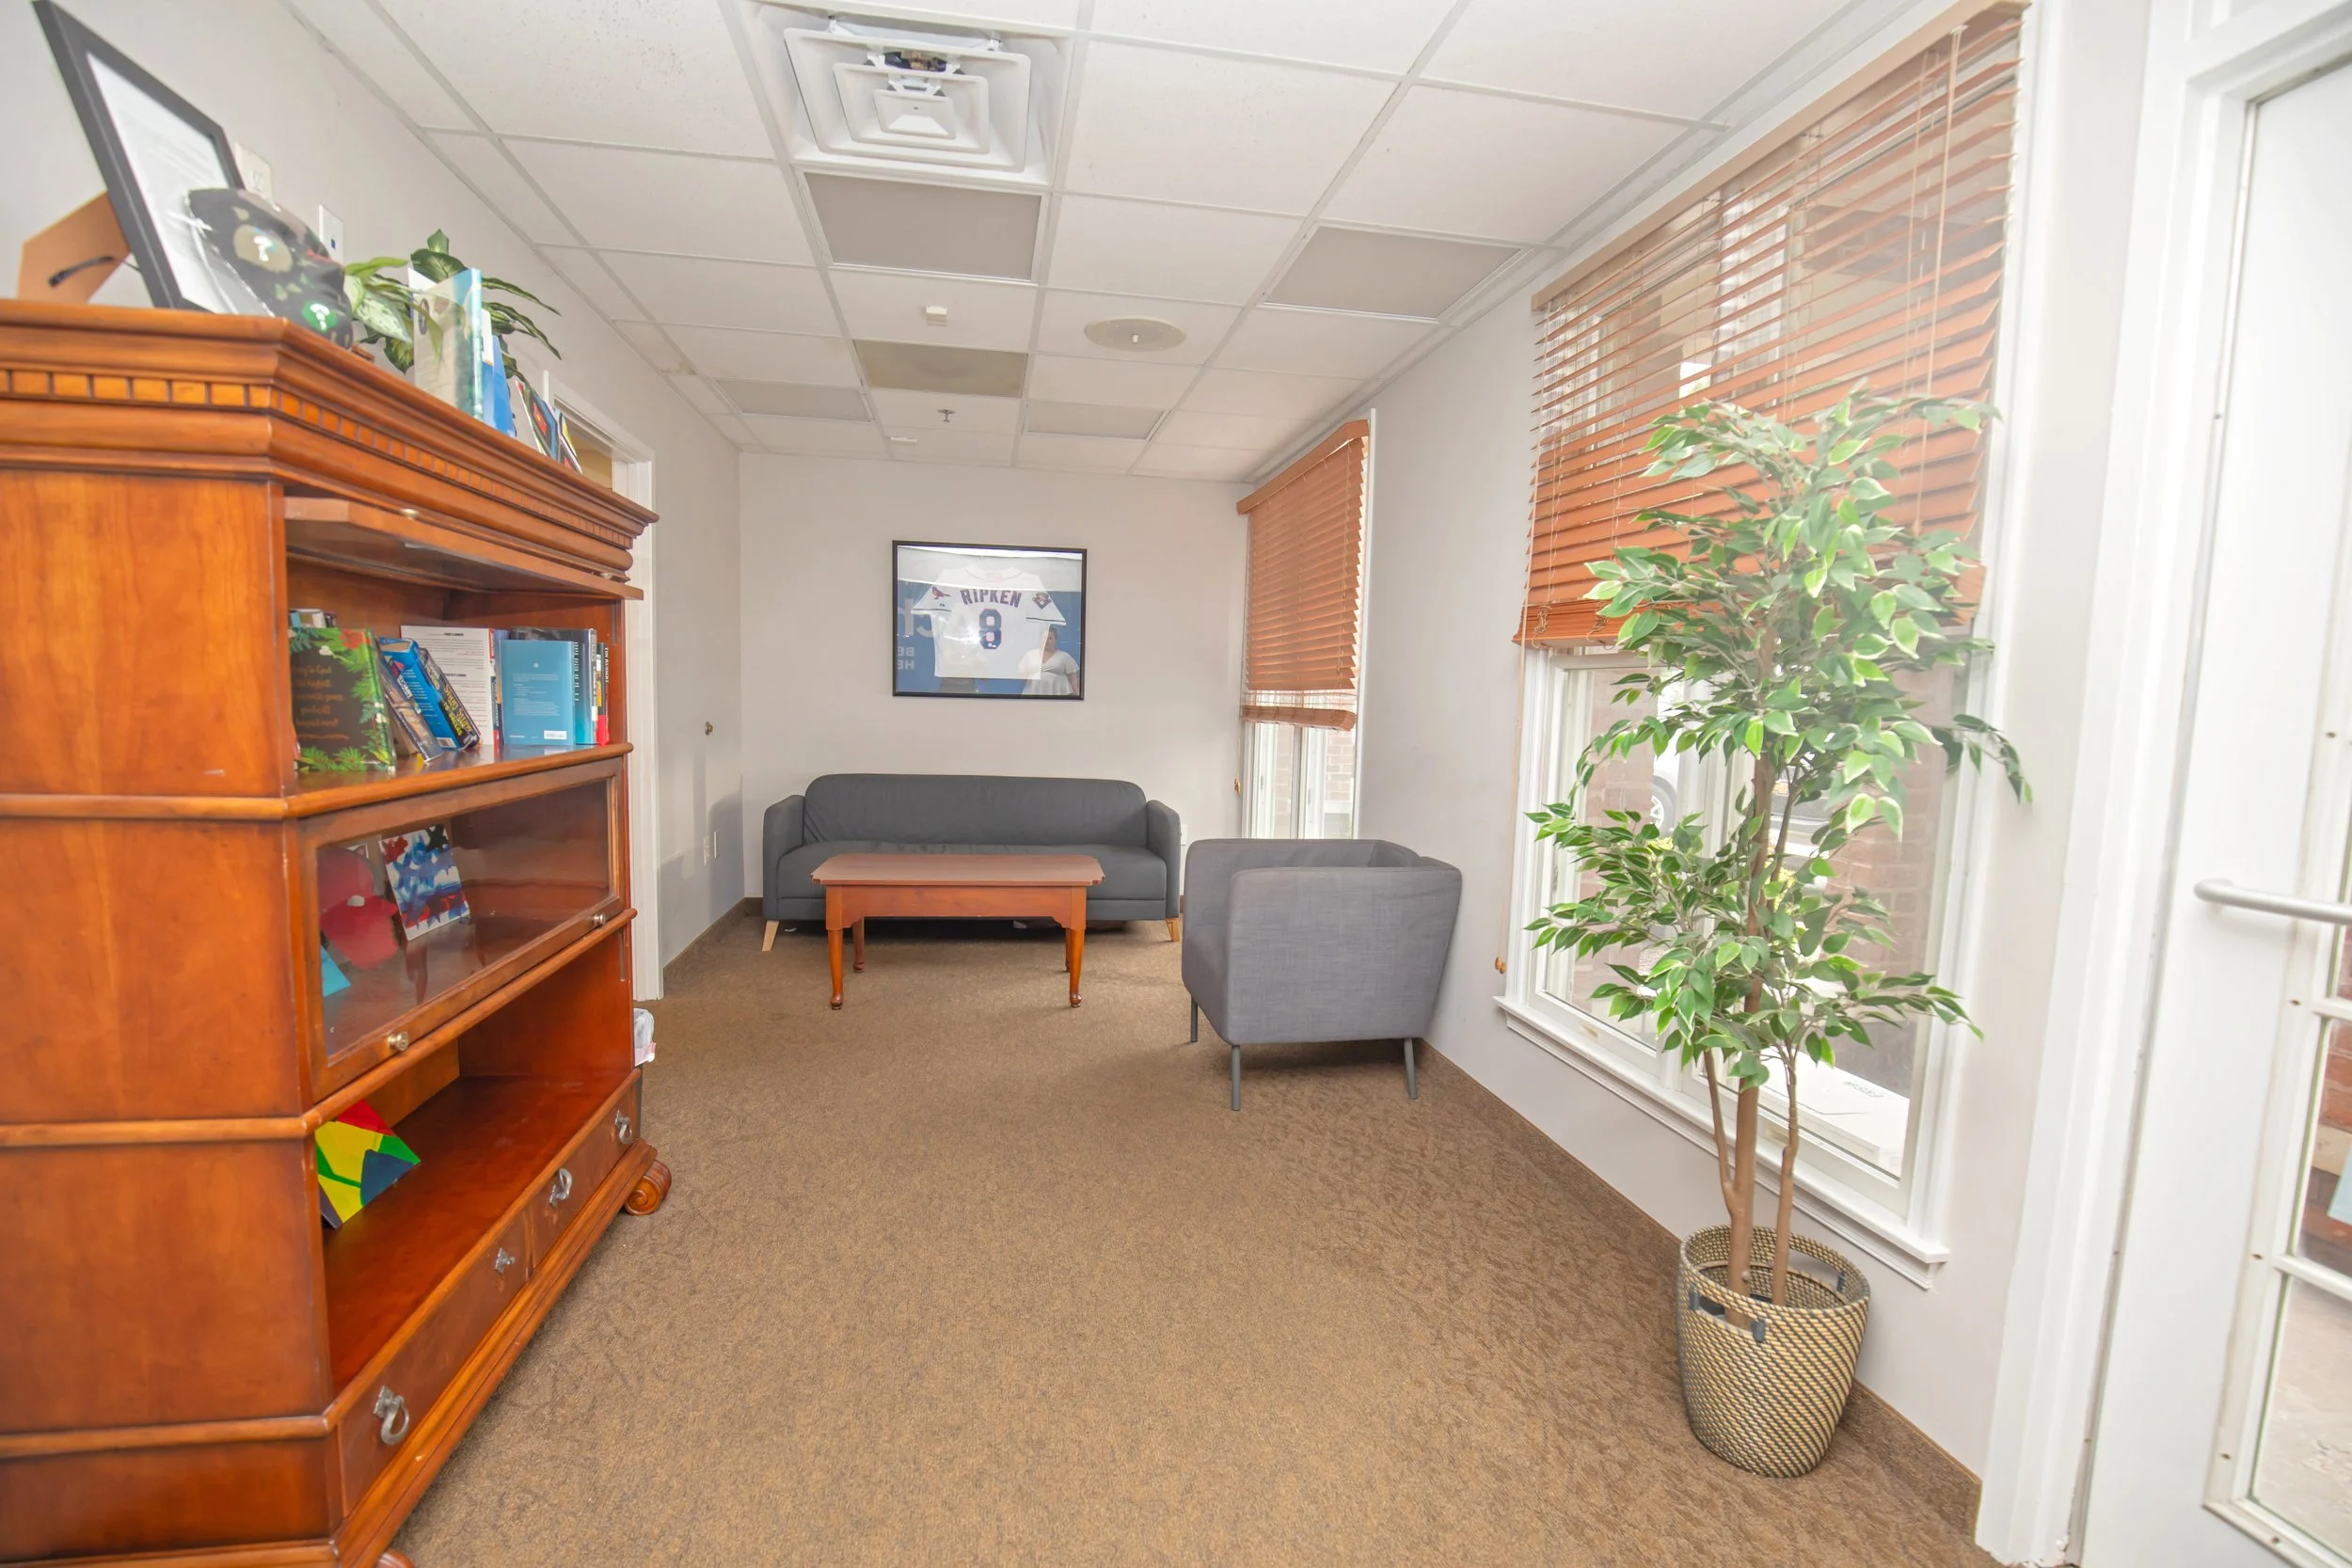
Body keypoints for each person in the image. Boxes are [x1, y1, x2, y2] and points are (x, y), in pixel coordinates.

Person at [1019, 625, 1080, 697]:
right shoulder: (1030, 654)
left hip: (1059, 694)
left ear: (1055, 640)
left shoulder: (1064, 656)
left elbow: (1073, 678)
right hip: (1033, 693)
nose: (1046, 641)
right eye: (1044, 638)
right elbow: (1022, 675)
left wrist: (1077, 695)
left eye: (1050, 638)